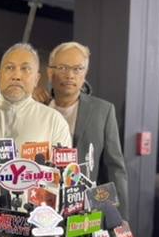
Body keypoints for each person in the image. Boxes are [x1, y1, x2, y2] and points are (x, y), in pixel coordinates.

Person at [0, 42, 71, 183]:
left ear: (36, 79)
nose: (16, 76)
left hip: (37, 197)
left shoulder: (54, 121)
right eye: (10, 68)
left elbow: (65, 177)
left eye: (25, 69)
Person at [46, 41, 129, 217]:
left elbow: (114, 169)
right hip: (43, 209)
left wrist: (120, 218)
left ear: (85, 73)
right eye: (63, 68)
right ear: (50, 72)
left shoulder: (102, 111)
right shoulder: (38, 109)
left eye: (78, 69)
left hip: (86, 212)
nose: (70, 75)